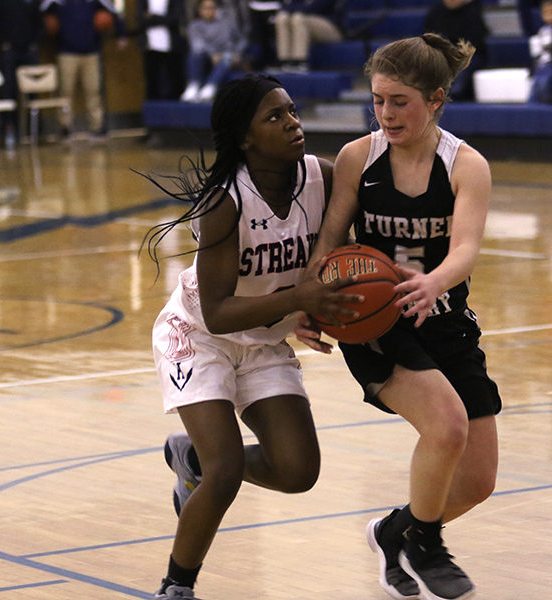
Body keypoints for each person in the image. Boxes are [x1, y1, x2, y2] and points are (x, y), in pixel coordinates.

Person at [296, 33, 502, 600]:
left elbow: (464, 249)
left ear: (435, 99)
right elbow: (330, 239)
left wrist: (436, 279)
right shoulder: (358, 159)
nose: (386, 113)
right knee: (446, 426)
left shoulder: (467, 165)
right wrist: (307, 299)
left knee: (478, 481)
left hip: (445, 319)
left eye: (400, 101)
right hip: (376, 324)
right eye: (378, 100)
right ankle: (426, 549)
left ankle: (394, 532)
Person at [143, 73, 358, 600]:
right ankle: (177, 586)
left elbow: (340, 258)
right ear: (245, 139)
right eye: (274, 117)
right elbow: (216, 313)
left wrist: (331, 308)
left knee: (298, 470)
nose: (292, 123)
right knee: (226, 471)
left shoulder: (322, 178)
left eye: (291, 111)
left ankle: (188, 457)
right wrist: (297, 302)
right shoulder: (225, 202)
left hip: (265, 339)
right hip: (198, 336)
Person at [40, 0, 127, 140]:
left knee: (93, 90)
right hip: (66, 52)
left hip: (91, 52)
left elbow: (114, 10)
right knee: (66, 91)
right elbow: (40, 12)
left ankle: (97, 127)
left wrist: (121, 32)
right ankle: (65, 127)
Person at [0, 0, 44, 148]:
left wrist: (34, 42)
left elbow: (40, 23)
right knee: (8, 91)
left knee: (32, 90)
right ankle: (10, 128)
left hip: (28, 50)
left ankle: (33, 130)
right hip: (8, 51)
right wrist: (2, 43)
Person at [180, 0, 247, 103]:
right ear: (200, 10)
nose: (209, 11)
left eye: (212, 8)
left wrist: (237, 53)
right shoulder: (194, 25)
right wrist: (212, 54)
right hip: (206, 56)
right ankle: (193, 86)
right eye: (206, 8)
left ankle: (210, 87)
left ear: (217, 9)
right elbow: (197, 44)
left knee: (227, 57)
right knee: (194, 54)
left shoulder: (227, 23)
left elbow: (241, 40)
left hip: (227, 55)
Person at [423, 0, 489, 102]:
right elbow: (427, 38)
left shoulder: (472, 13)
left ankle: (452, 97)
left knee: (461, 69)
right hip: (440, 54)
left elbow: (473, 44)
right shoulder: (435, 12)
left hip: (466, 56)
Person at [137, 0, 188, 102]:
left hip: (173, 47)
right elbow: (140, 20)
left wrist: (153, 17)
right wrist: (163, 18)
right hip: (150, 47)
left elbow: (176, 19)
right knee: (152, 82)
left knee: (175, 81)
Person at [273, 0, 343, 72]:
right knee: (281, 18)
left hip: (331, 28)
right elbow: (286, 8)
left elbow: (314, 8)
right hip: (304, 23)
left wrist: (297, 8)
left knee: (298, 18)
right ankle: (283, 61)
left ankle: (300, 62)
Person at [528, 0, 552, 103]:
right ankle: (531, 109)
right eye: (546, 13)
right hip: (542, 64)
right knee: (534, 83)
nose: (550, 16)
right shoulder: (542, 31)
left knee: (544, 82)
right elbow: (537, 53)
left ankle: (544, 107)